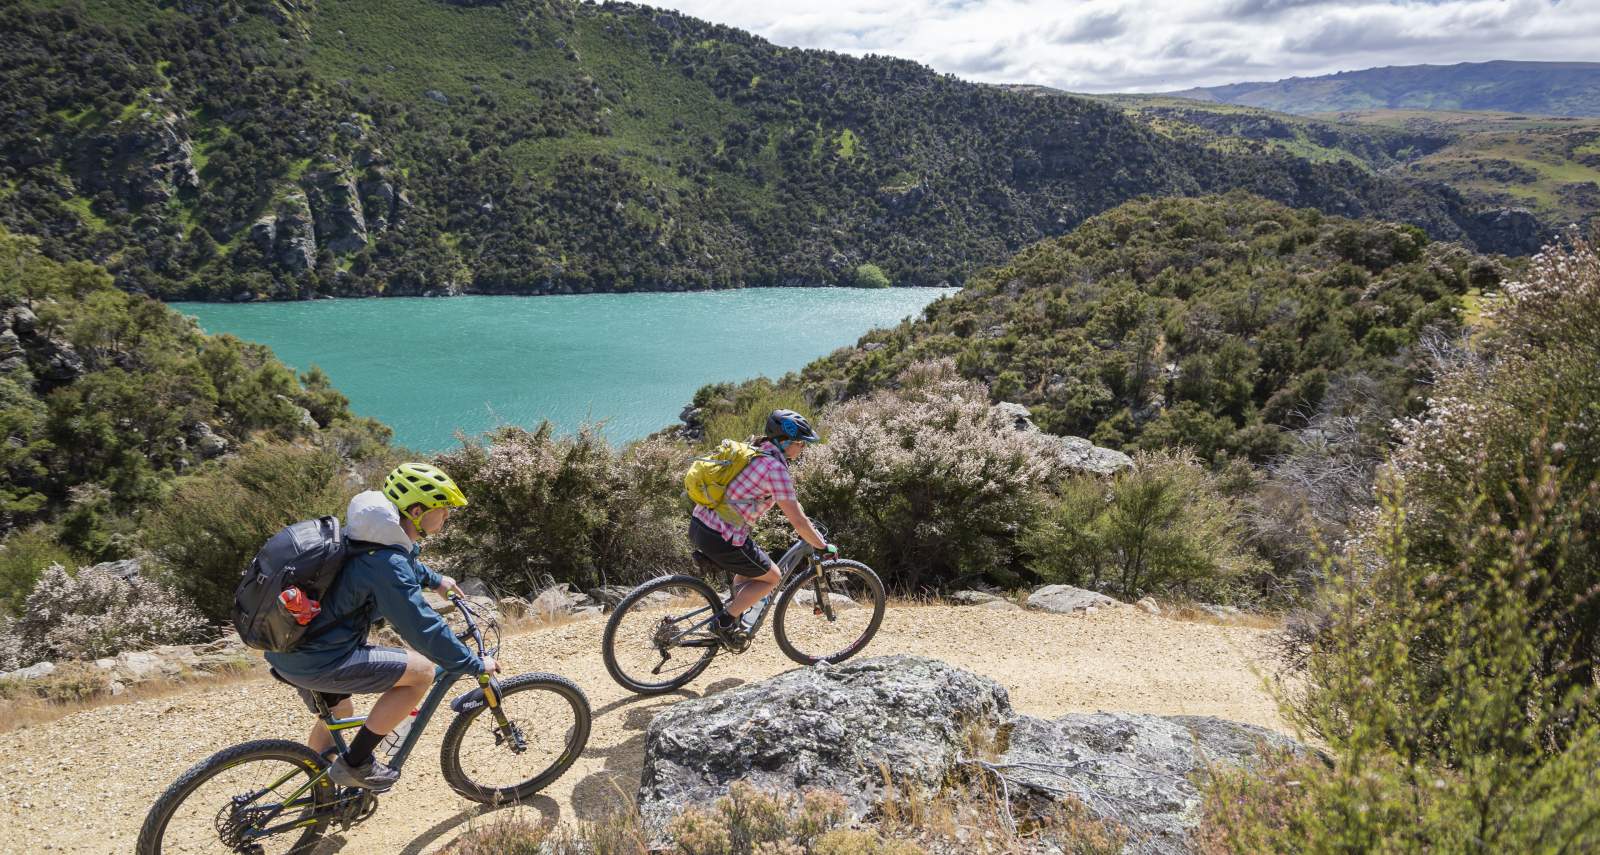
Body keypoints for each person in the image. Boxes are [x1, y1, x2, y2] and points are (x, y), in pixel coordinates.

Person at [264, 462, 498, 790]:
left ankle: (320, 792)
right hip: (319, 659)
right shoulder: (387, 563)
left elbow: (397, 562)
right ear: (416, 511)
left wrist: (434, 580)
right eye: (442, 508)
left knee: (340, 712)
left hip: (287, 648)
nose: (447, 515)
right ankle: (356, 763)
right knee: (422, 672)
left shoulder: (364, 533)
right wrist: (472, 663)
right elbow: (422, 627)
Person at [690, 409, 835, 645]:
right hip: (722, 537)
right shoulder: (775, 469)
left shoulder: (754, 450)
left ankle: (735, 615)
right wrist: (822, 546)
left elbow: (793, 505)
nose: (803, 448)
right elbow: (798, 522)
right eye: (800, 443)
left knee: (752, 569)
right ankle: (723, 623)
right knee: (772, 577)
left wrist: (809, 527)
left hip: (700, 523)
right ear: (785, 442)